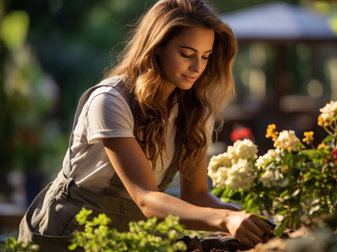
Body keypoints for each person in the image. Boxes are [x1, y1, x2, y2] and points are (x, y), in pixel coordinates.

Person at [18, 0, 273, 250]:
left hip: (127, 236)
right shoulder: (110, 101)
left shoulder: (194, 111)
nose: (197, 67)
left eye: (205, 56)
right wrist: (226, 220)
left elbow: (197, 196)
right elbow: (146, 199)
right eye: (186, 54)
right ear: (157, 46)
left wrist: (256, 223)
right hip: (68, 234)